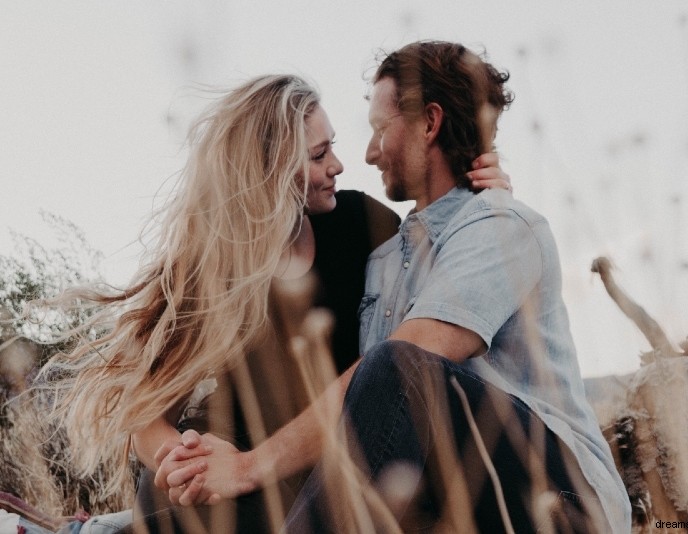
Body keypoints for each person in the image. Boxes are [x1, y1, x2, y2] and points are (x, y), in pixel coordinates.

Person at [158, 42, 631, 533]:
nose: (365, 154)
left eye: (379, 130)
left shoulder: (503, 225)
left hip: (562, 498)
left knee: (396, 364)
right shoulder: (384, 255)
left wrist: (249, 465)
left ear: (429, 123)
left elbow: (411, 363)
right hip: (442, 495)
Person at [33, 74, 507, 533]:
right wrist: (184, 461)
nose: (338, 165)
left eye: (333, 147)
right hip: (228, 474)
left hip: (321, 463)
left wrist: (486, 203)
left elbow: (448, 285)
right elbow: (149, 416)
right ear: (272, 171)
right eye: (319, 154)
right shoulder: (211, 265)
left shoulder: (364, 223)